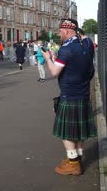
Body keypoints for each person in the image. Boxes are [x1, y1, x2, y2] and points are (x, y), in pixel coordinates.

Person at [41, 19, 96, 176]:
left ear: (66, 31)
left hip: (69, 95)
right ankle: (77, 159)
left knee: (67, 133)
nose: (59, 34)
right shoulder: (87, 44)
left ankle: (73, 164)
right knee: (78, 131)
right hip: (84, 93)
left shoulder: (67, 49)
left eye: (60, 31)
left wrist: (48, 58)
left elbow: (54, 72)